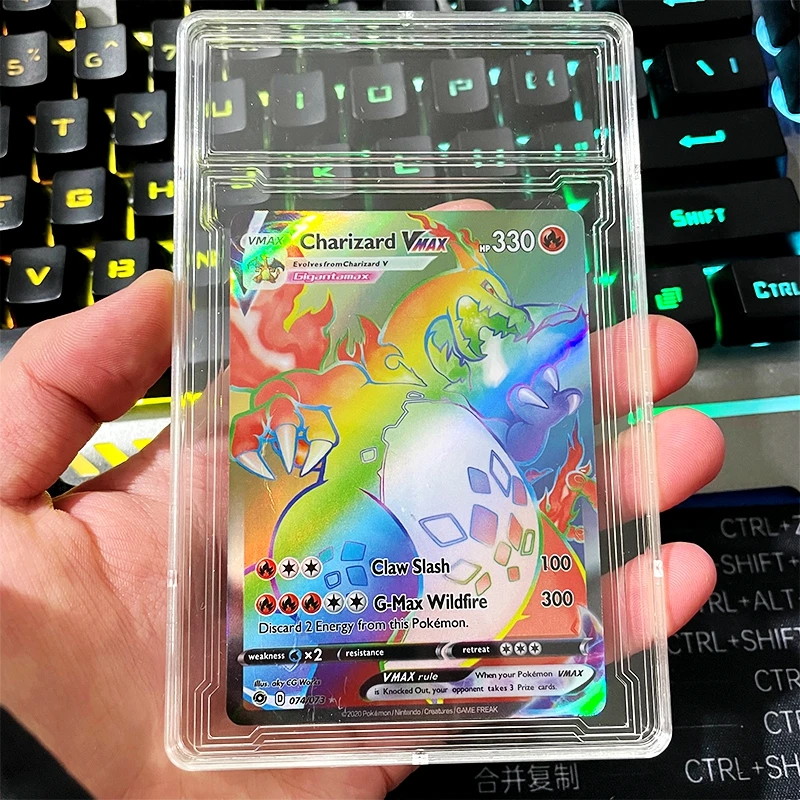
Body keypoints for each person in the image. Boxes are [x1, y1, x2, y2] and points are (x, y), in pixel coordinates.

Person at [0, 200, 724, 799]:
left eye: (493, 324)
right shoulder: (361, 415)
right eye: (471, 318)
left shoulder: (450, 419)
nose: (484, 337)